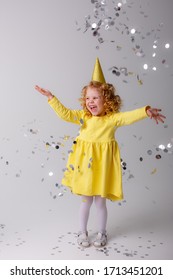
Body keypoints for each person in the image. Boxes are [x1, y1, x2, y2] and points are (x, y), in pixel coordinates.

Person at [35, 58, 166, 248]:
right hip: (85, 167)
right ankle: (82, 232)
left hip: (103, 166)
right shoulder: (83, 117)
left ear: (107, 100)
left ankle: (102, 233)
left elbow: (128, 117)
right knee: (86, 201)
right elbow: (65, 114)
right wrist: (51, 98)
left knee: (100, 203)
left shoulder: (112, 119)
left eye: (95, 98)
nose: (90, 102)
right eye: (88, 98)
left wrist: (146, 111)